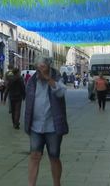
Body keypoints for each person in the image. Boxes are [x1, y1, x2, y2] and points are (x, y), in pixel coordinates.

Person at [24, 56, 68, 186]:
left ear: (49, 66)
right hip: (35, 126)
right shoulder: (32, 81)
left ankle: (56, 183)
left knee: (54, 157)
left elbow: (61, 92)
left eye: (43, 66)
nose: (40, 69)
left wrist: (49, 79)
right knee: (34, 156)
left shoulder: (57, 77)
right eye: (39, 66)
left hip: (53, 126)